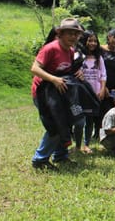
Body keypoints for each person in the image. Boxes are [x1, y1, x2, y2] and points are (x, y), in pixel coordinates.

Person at [31, 18, 86, 170]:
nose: (73, 37)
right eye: (70, 34)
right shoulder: (51, 48)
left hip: (59, 93)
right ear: (60, 34)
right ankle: (39, 159)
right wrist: (53, 79)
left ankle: (61, 156)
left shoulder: (70, 51)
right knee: (54, 126)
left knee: (66, 122)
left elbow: (67, 71)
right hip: (43, 93)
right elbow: (35, 68)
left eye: (76, 34)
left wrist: (78, 73)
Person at [76, 30, 107, 154]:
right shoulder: (79, 56)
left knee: (89, 120)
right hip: (80, 93)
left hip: (94, 94)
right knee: (79, 121)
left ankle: (87, 144)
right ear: (84, 41)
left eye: (95, 41)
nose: (93, 43)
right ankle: (78, 145)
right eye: (90, 40)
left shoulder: (99, 58)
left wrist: (102, 89)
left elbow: (103, 75)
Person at [97, 29, 115, 140]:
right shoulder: (100, 50)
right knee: (101, 108)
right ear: (109, 37)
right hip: (101, 84)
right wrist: (103, 86)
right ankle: (98, 132)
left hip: (113, 85)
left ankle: (110, 131)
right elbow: (97, 68)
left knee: (111, 109)